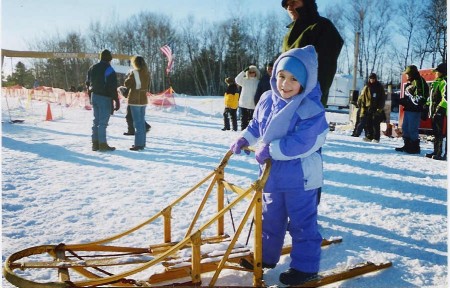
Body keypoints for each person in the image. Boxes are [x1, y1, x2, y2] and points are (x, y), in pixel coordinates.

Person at [230, 45, 328, 286]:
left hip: (301, 178)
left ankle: (305, 268)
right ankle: (265, 257)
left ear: (306, 82)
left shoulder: (311, 108)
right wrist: (246, 138)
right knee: (269, 218)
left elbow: (305, 142)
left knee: (302, 223)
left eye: (294, 79)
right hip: (272, 176)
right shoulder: (267, 99)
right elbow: (256, 125)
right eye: (282, 76)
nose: (285, 84)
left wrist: (271, 149)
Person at [281, 0, 343, 107]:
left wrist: (312, 102)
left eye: (293, 2)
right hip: (285, 101)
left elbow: (326, 70)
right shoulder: (289, 35)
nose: (289, 7)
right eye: (286, 5)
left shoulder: (322, 27)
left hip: (308, 102)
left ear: (307, 2)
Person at [86, 49, 120, 151]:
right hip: (104, 97)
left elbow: (87, 83)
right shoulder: (109, 69)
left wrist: (90, 96)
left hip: (94, 96)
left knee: (96, 121)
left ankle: (95, 144)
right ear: (109, 58)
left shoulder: (92, 67)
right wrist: (116, 100)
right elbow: (112, 86)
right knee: (102, 123)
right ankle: (102, 144)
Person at [395, 65, 429, 154]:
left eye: (407, 74)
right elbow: (409, 97)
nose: (406, 76)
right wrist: (401, 100)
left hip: (415, 110)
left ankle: (414, 147)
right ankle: (407, 145)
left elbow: (421, 98)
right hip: (409, 109)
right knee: (405, 127)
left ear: (412, 74)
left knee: (412, 129)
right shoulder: (411, 82)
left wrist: (411, 97)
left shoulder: (418, 81)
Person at [124, 55, 151, 151]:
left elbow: (127, 84)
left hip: (135, 100)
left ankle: (138, 144)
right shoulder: (147, 73)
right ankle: (142, 143)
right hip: (143, 99)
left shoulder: (134, 72)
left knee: (137, 123)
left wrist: (128, 77)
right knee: (141, 121)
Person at [352, 73, 386, 143]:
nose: (372, 80)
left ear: (375, 79)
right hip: (368, 107)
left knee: (375, 124)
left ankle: (376, 138)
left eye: (373, 79)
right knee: (368, 123)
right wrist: (361, 106)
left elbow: (382, 99)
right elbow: (362, 97)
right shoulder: (367, 87)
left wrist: (379, 109)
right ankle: (369, 136)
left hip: (376, 108)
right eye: (371, 79)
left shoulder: (379, 87)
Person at [425, 63, 447, 160]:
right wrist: (426, 105)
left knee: (441, 133)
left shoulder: (445, 82)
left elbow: (445, 98)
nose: (435, 74)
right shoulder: (436, 82)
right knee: (435, 132)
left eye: (437, 72)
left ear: (442, 72)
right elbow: (431, 97)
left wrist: (440, 109)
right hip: (434, 111)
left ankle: (441, 153)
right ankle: (436, 151)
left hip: (442, 112)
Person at [235, 65, 260, 130]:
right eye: (250, 72)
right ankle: (243, 135)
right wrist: (243, 71)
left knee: (252, 121)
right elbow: (237, 79)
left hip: (253, 105)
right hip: (244, 104)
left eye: (253, 72)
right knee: (244, 120)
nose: (251, 73)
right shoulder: (244, 80)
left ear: (256, 72)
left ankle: (250, 135)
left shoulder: (258, 82)